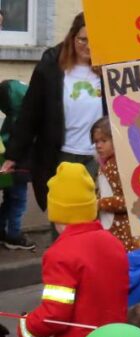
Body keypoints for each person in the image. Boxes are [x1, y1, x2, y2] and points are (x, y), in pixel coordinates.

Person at [16, 162, 128, 337]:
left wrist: (26, 327)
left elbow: (55, 314)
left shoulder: (61, 253)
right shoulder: (113, 244)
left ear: (58, 212)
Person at [2, 13, 104, 213]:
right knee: (62, 215)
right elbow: (30, 112)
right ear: (72, 37)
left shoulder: (110, 68)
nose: (89, 46)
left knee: (95, 217)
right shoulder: (51, 67)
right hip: (60, 155)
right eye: (83, 39)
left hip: (98, 156)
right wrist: (13, 154)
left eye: (95, 41)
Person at [91, 117, 140, 251]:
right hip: (113, 232)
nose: (98, 145)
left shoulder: (120, 165)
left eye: (104, 141)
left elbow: (131, 200)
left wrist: (99, 203)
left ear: (116, 139)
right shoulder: (106, 164)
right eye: (96, 141)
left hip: (127, 236)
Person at [0, 79, 35, 250]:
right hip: (17, 169)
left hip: (9, 169)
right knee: (18, 202)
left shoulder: (11, 120)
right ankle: (14, 235)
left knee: (9, 201)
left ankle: (1, 230)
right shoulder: (21, 122)